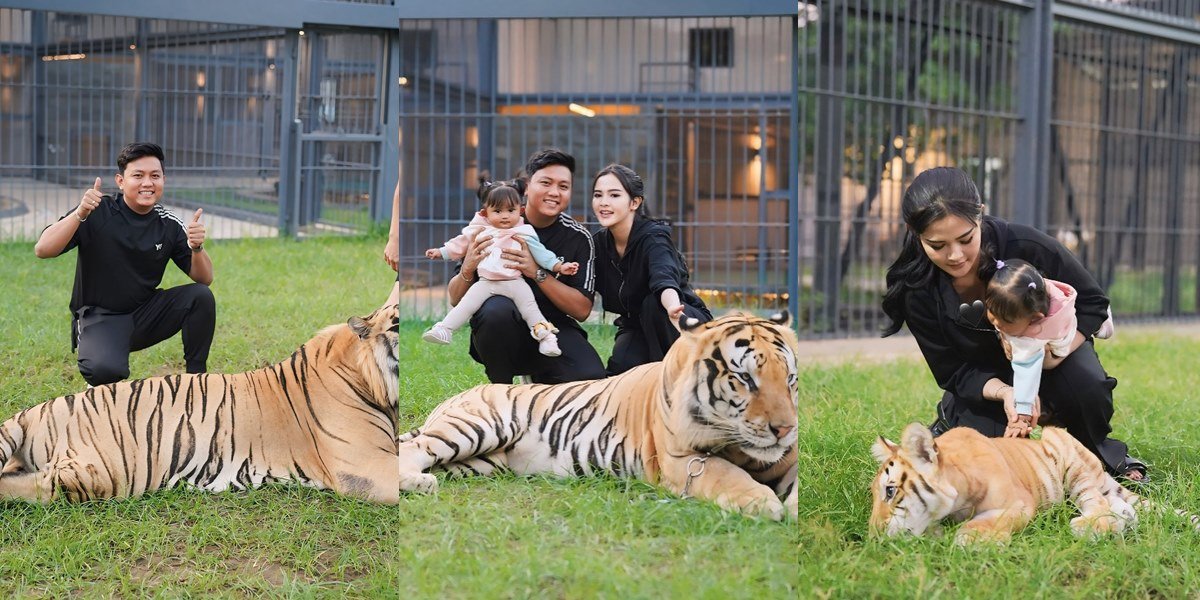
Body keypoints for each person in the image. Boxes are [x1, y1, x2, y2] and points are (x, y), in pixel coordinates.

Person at [880, 166, 1146, 482]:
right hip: (987, 381)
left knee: (1085, 384)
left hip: (1051, 359)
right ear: (914, 231)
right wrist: (1009, 393)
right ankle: (952, 420)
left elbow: (1093, 304)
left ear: (980, 215)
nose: (955, 256)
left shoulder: (1026, 245)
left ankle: (1100, 456)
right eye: (938, 245)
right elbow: (953, 372)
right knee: (990, 468)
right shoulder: (917, 289)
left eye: (966, 239)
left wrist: (1055, 356)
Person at [34, 142, 215, 387]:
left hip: (144, 315)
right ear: (120, 181)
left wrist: (197, 248)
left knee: (200, 296)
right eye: (138, 175)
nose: (147, 183)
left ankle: (197, 381)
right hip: (100, 318)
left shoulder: (168, 224)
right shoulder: (97, 212)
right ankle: (103, 356)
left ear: (163, 180)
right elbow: (43, 250)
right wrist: (79, 213)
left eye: (155, 176)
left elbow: (204, 278)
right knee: (105, 371)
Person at [447, 148, 606, 384]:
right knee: (495, 310)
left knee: (590, 376)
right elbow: (454, 298)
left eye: (563, 186)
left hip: (551, 326)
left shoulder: (578, 238)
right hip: (502, 324)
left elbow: (582, 310)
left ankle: (537, 375)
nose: (554, 192)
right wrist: (468, 268)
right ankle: (500, 385)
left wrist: (537, 273)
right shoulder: (490, 225)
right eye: (546, 183)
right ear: (526, 187)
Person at [422, 176, 579, 356]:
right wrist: (441, 252)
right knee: (466, 305)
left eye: (510, 210)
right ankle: (444, 329)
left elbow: (542, 254)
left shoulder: (524, 232)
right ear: (485, 213)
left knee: (530, 309)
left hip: (515, 283)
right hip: (486, 283)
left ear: (520, 211)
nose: (505, 215)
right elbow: (459, 244)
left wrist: (560, 266)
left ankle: (547, 339)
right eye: (497, 211)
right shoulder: (479, 231)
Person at [590, 164, 712, 375]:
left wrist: (674, 308)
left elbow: (663, 278)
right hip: (635, 327)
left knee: (653, 305)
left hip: (676, 323)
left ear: (634, 202)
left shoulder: (654, 237)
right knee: (618, 379)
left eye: (614, 195)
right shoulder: (598, 244)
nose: (604, 203)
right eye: (598, 195)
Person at [983, 258, 1114, 438]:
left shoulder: (1033, 336)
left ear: (1035, 318)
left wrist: (1022, 412)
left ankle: (1101, 326)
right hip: (1066, 313)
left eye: (1005, 321)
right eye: (991, 311)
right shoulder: (1044, 290)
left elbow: (1026, 371)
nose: (996, 322)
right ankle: (1102, 324)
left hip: (1058, 344)